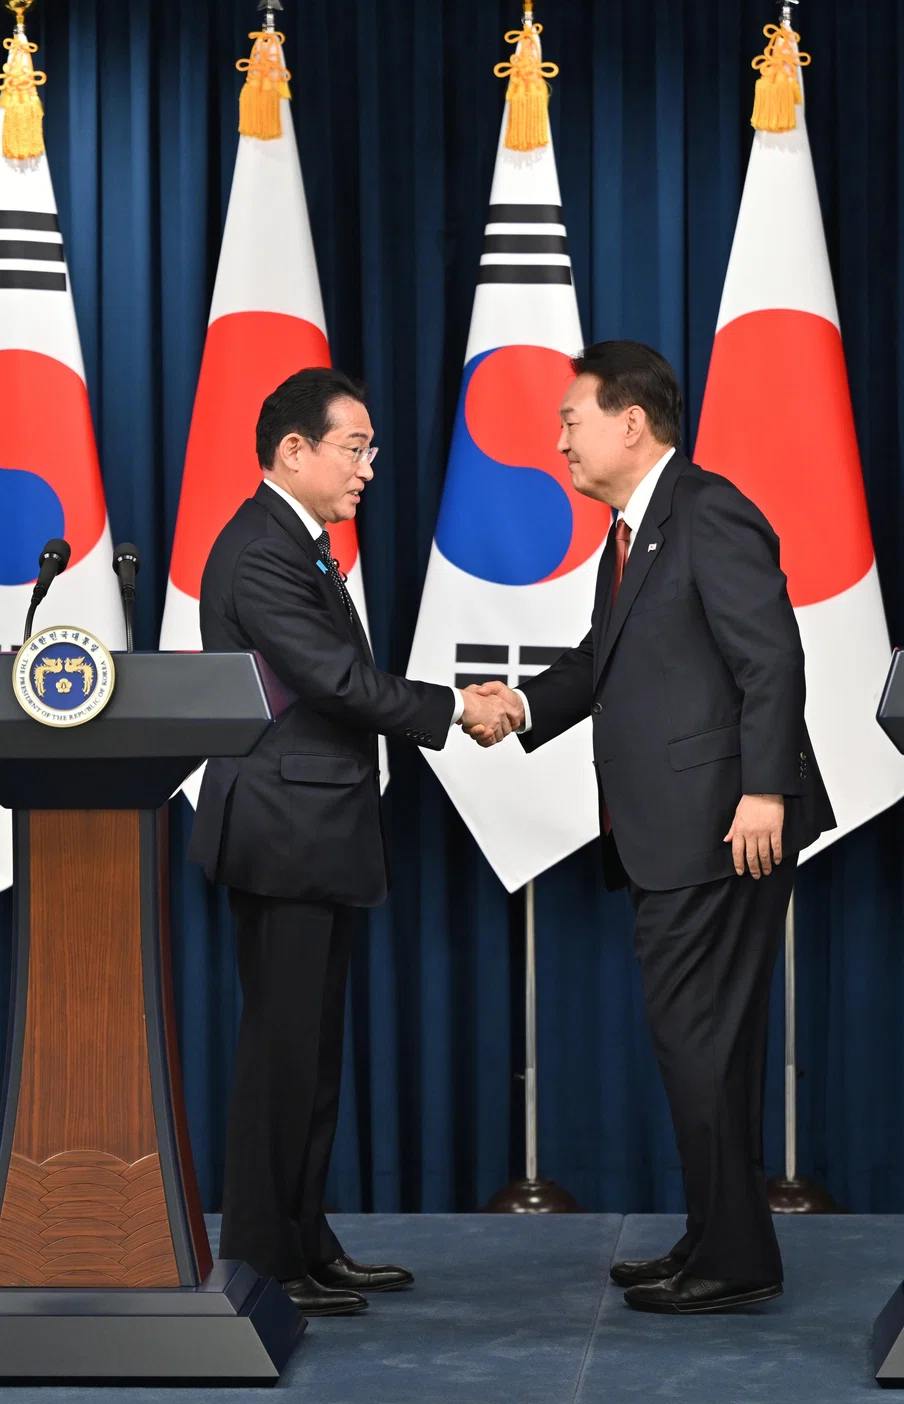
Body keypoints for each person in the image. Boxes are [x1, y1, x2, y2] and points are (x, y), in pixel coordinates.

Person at [467, 341, 835, 1314]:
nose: (559, 443)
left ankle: (733, 1257)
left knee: (699, 1044)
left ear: (631, 423)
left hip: (724, 830)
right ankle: (720, 1241)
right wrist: (522, 706)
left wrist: (765, 790)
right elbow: (603, 658)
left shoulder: (707, 510)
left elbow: (773, 658)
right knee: (703, 1047)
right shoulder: (635, 532)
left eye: (570, 421)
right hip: (676, 834)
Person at [189, 366, 514, 1317]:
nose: (369, 468)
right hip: (283, 830)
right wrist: (455, 709)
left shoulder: (297, 542)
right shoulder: (262, 551)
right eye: (356, 447)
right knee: (282, 1055)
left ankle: (304, 1242)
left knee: (312, 1053)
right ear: (295, 450)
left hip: (313, 829)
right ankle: (263, 1258)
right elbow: (333, 678)